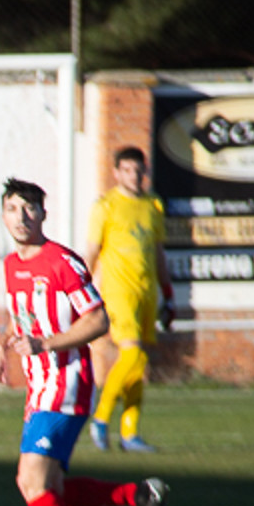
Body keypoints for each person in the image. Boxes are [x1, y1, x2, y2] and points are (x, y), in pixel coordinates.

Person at [0, 178, 173, 506]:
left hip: (68, 383)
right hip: (39, 389)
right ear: (3, 215)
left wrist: (45, 343)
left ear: (43, 214)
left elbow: (98, 319)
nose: (22, 216)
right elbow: (22, 318)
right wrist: (1, 347)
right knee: (51, 489)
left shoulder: (62, 262)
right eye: (14, 209)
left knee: (30, 480)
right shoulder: (12, 265)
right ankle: (139, 494)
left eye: (30, 208)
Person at [83, 146, 173, 453]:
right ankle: (101, 416)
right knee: (132, 355)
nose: (134, 176)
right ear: (116, 173)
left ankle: (130, 433)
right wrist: (81, 288)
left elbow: (159, 253)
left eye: (139, 170)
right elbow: (93, 250)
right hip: (119, 292)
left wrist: (168, 292)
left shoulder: (153, 205)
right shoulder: (106, 206)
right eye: (128, 170)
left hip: (147, 292)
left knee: (139, 363)